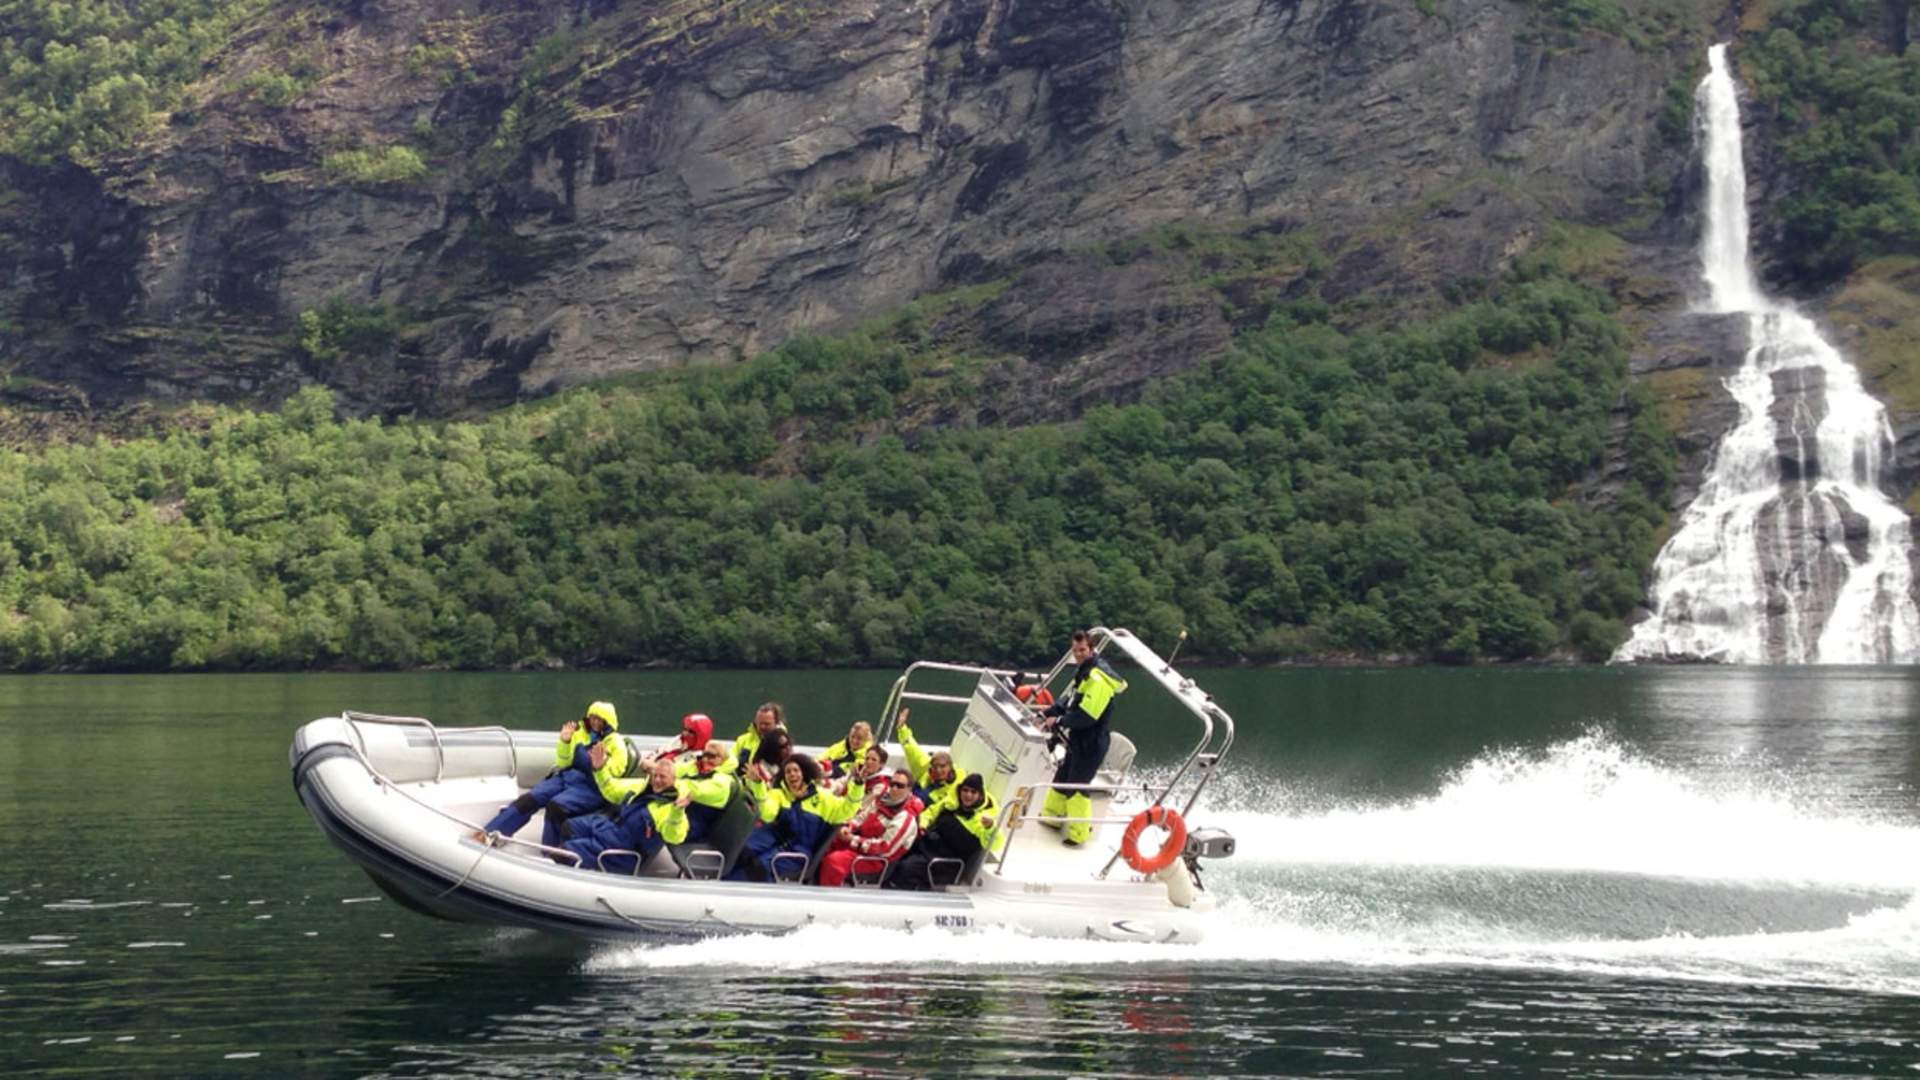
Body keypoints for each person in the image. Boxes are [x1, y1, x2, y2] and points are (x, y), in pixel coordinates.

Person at [476, 700, 629, 848]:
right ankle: (491, 833)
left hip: (593, 786)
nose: (595, 722)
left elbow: (617, 771)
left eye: (600, 720)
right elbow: (564, 762)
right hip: (568, 777)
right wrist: (565, 742)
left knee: (556, 806)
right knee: (530, 798)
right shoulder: (580, 733)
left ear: (608, 722)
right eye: (593, 718)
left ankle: (552, 852)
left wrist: (601, 764)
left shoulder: (615, 743)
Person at [562, 758, 734, 874]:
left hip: (620, 853)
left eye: (663, 777)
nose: (657, 780)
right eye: (655, 776)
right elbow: (612, 790)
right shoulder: (644, 789)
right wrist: (599, 769)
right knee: (568, 827)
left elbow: (675, 836)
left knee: (564, 852)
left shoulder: (669, 807)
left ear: (674, 780)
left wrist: (677, 812)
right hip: (608, 831)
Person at [1040, 630, 1127, 848]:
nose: (1078, 654)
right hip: (1080, 738)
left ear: (1092, 649)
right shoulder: (1084, 673)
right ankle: (1052, 816)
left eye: (1082, 650)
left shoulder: (1097, 679)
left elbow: (1087, 716)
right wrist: (1048, 711)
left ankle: (1080, 833)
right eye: (1075, 650)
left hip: (1092, 740)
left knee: (1077, 786)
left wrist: (1058, 721)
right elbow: (1070, 700)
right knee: (1063, 774)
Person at [733, 754, 859, 882]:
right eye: (788, 772)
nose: (792, 774)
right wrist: (758, 785)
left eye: (796, 770)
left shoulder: (823, 798)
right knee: (741, 851)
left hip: (797, 854)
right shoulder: (778, 794)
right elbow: (767, 814)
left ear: (804, 773)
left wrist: (858, 785)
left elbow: (847, 809)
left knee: (757, 868)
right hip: (773, 841)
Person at [888, 773, 999, 890]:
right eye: (965, 790)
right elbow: (930, 812)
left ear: (980, 796)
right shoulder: (950, 804)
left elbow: (996, 843)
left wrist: (990, 827)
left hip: (944, 863)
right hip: (927, 846)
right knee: (897, 852)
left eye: (973, 792)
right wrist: (923, 825)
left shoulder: (983, 819)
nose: (968, 795)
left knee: (905, 868)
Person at [817, 768, 922, 886]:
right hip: (859, 846)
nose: (894, 788)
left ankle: (828, 898)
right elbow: (860, 818)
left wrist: (852, 839)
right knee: (825, 844)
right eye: (892, 784)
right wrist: (849, 828)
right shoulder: (881, 801)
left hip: (876, 861)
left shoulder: (906, 817)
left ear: (909, 789)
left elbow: (885, 849)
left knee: (834, 861)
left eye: (900, 786)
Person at [894, 707, 969, 811]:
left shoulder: (961, 780)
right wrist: (902, 728)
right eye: (935, 766)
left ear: (950, 766)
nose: (938, 770)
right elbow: (910, 747)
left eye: (942, 766)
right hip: (908, 806)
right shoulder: (924, 766)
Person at [731, 702, 787, 774]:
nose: (762, 727)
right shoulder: (743, 740)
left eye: (767, 724)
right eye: (760, 723)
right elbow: (729, 759)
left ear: (776, 723)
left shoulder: (783, 743)